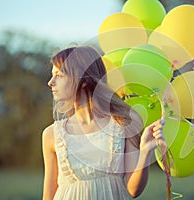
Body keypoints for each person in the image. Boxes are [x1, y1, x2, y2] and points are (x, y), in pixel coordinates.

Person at [42, 45, 166, 200]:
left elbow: (133, 190)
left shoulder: (122, 123)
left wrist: (145, 151)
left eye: (59, 75)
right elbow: (48, 194)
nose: (50, 82)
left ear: (84, 80)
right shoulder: (51, 135)